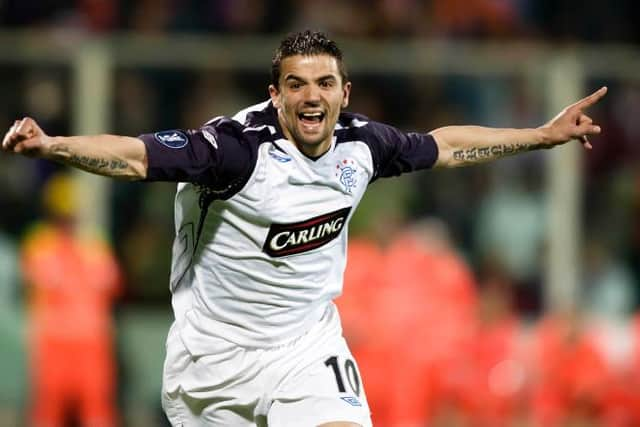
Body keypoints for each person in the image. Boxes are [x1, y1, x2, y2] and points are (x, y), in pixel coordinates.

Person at [1, 30, 606, 427]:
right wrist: (53, 146)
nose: (311, 97)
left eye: (323, 84)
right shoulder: (234, 150)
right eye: (296, 84)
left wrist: (543, 135)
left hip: (306, 349)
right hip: (213, 364)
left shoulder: (363, 145)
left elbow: (444, 146)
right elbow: (133, 156)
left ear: (345, 92)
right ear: (276, 95)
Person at [21, 173, 122, 427]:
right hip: (55, 341)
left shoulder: (93, 245)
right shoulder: (39, 244)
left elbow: (111, 284)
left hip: (90, 342)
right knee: (49, 411)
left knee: (96, 411)